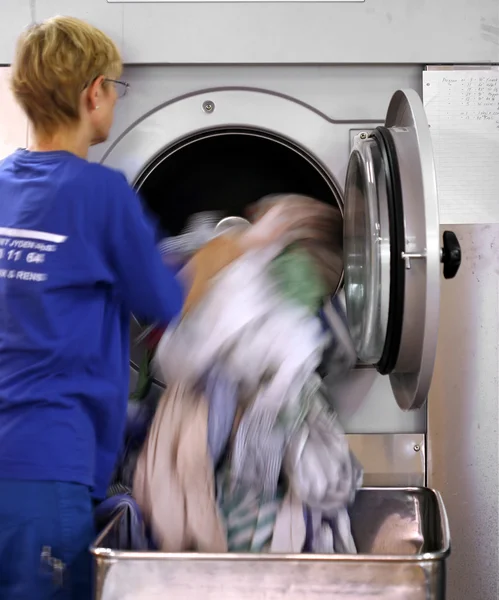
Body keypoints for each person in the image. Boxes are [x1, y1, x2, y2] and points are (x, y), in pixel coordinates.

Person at [0, 16, 184, 599]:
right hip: (48, 466)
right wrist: (232, 251)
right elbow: (165, 304)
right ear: (93, 93)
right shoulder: (102, 194)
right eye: (116, 87)